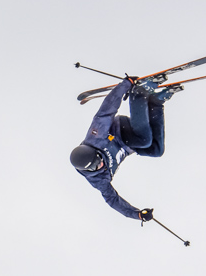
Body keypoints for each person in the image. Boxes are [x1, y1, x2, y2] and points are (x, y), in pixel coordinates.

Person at [69, 76, 175, 222]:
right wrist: (137, 214)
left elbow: (107, 110)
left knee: (144, 140)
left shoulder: (95, 137)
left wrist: (125, 85)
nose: (100, 164)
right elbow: (113, 200)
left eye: (98, 159)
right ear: (89, 171)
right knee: (156, 150)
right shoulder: (98, 180)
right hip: (127, 146)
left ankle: (138, 94)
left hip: (121, 130)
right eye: (95, 166)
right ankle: (156, 103)